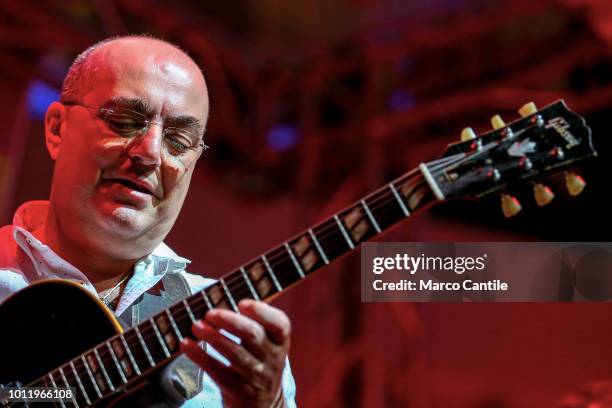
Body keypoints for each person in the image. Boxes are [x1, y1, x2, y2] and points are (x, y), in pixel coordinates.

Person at [0, 35, 296, 407]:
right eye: (124, 121)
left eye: (179, 139)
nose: (151, 153)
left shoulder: (238, 345)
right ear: (57, 128)